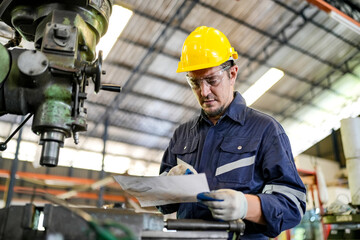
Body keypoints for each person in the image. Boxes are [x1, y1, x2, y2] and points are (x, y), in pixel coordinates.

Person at [157, 26, 306, 239]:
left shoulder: (265, 130)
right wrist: (168, 186)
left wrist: (247, 206)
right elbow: (162, 205)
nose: (204, 92)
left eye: (211, 80)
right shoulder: (182, 135)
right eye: (194, 83)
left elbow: (294, 205)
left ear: (232, 73)